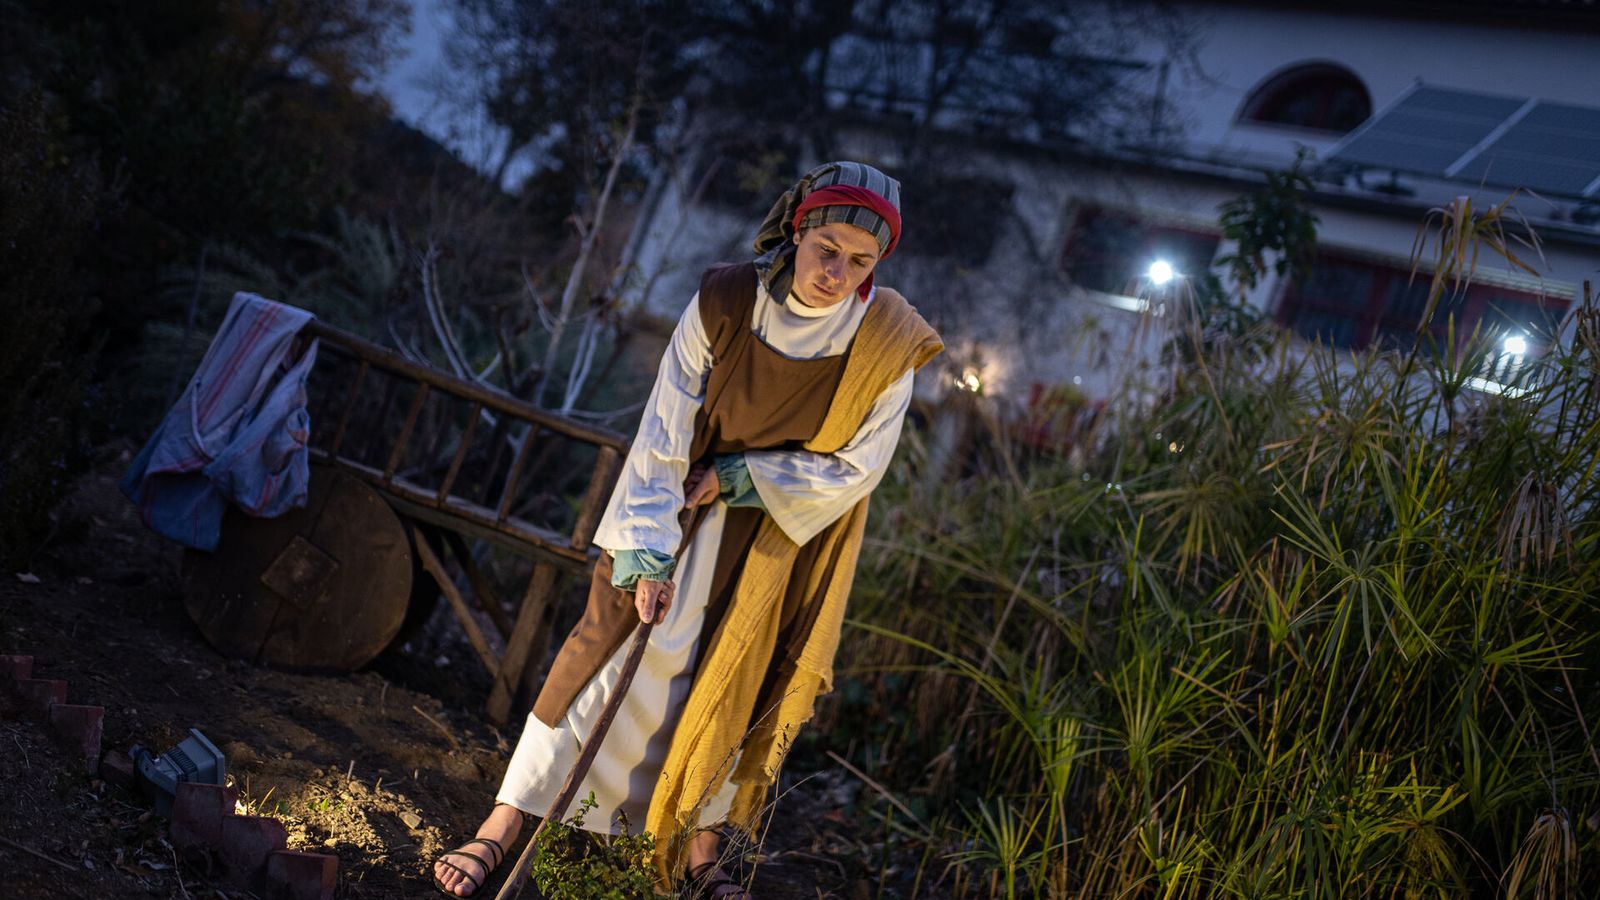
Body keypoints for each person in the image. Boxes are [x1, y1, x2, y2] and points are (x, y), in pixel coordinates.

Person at [432, 161, 942, 898]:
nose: (837, 272)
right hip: (675, 509)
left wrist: (749, 476)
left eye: (861, 261)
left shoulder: (888, 343)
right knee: (602, 658)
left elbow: (860, 467)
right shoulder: (727, 298)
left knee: (734, 676)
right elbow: (665, 428)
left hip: (773, 538)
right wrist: (647, 547)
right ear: (799, 229)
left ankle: (701, 855)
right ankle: (504, 824)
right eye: (826, 248)